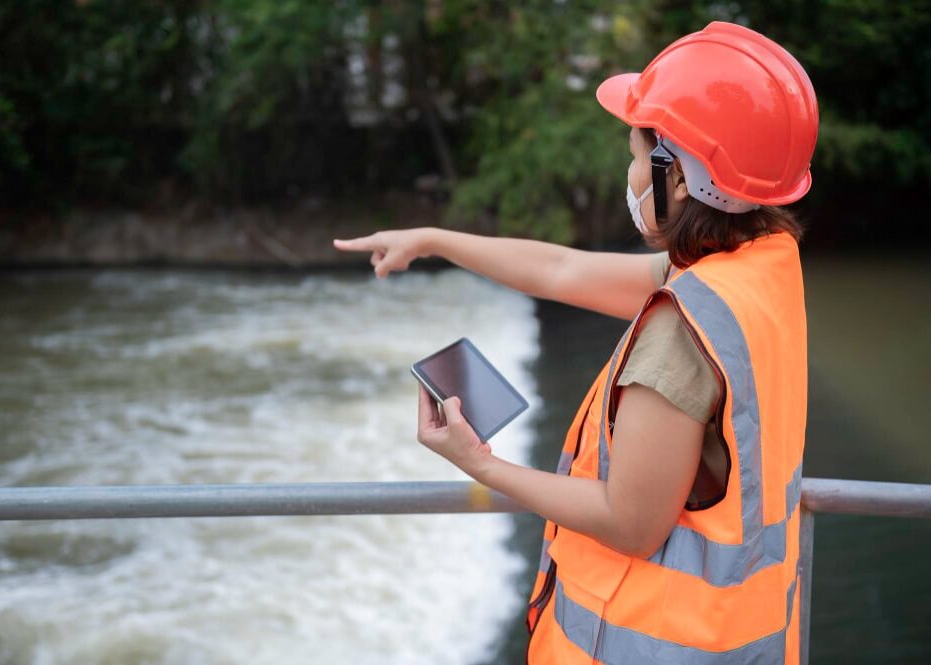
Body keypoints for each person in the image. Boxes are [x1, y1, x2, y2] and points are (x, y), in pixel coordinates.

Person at [334, 21, 816, 664]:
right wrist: (434, 240)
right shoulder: (757, 267)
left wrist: (480, 464)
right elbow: (561, 271)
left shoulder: (681, 331)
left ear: (680, 178)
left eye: (638, 151)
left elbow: (631, 523)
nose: (631, 170)